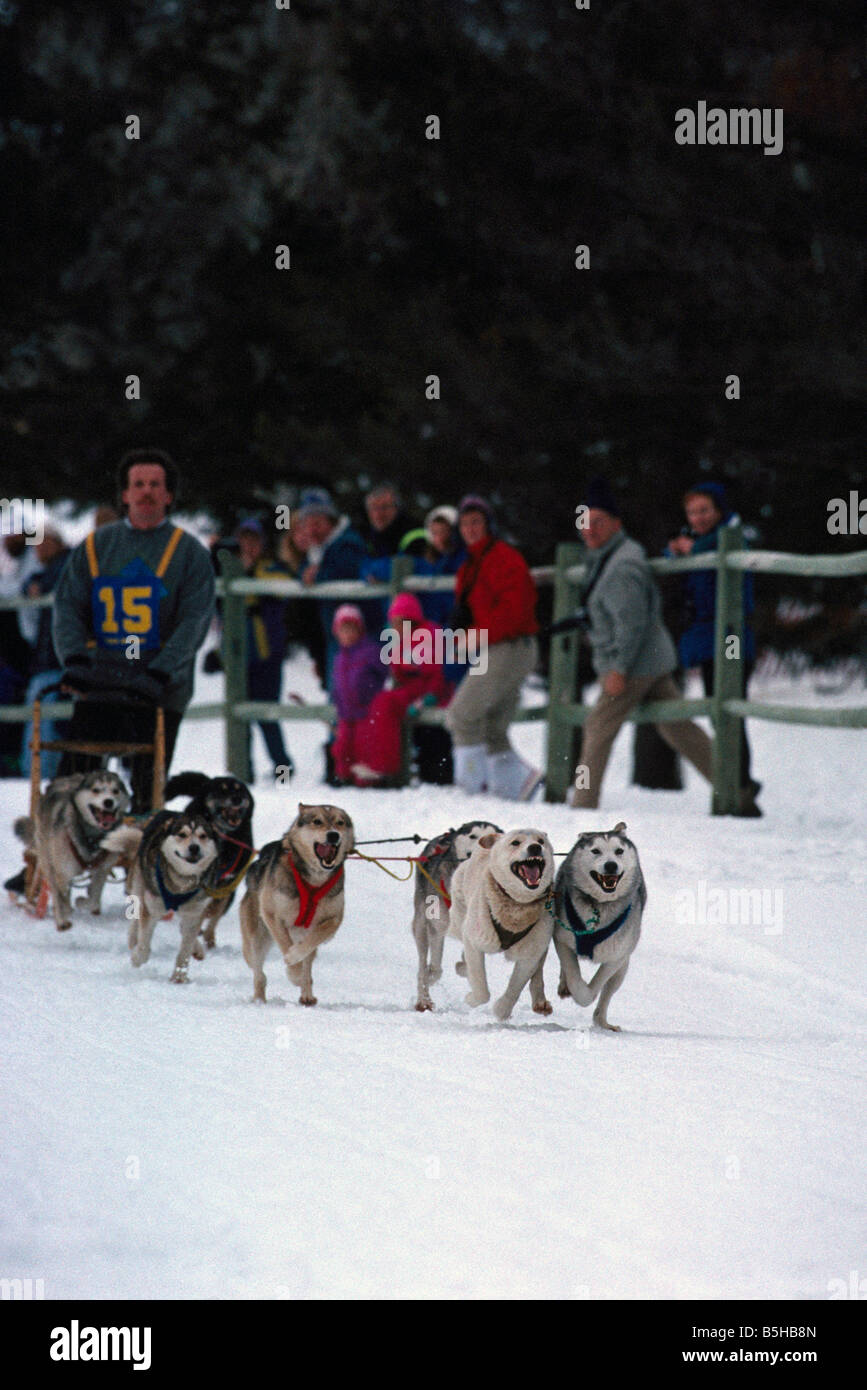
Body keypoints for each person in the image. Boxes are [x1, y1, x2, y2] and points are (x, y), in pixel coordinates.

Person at [52, 448, 215, 813]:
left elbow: (194, 621)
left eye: (155, 485)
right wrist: (75, 659)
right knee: (72, 789)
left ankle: (141, 857)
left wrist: (161, 671)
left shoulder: (189, 553)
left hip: (156, 691)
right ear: (124, 494)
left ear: (168, 495)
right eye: (138, 484)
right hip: (100, 685)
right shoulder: (96, 546)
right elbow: (68, 607)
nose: (146, 492)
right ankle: (57, 859)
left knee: (146, 792)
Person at [563, 478, 726, 811]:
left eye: (598, 522)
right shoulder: (607, 557)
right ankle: (734, 786)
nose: (590, 530)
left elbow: (632, 625)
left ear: (616, 524)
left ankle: (582, 802)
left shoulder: (622, 566)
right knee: (676, 726)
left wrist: (618, 669)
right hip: (650, 661)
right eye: (585, 523)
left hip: (634, 664)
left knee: (598, 726)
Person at [665, 481, 760, 812]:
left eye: (704, 509)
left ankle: (740, 785)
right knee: (721, 712)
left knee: (729, 710)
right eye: (692, 511)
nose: (698, 517)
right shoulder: (695, 544)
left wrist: (690, 551)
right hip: (708, 641)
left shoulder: (728, 541)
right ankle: (740, 784)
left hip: (731, 640)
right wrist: (678, 552)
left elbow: (713, 562)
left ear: (719, 510)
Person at [444, 495, 543, 799]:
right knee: (491, 726)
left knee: (461, 715)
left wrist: (475, 635)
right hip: (495, 648)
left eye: (477, 522)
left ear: (489, 525)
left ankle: (471, 791)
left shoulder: (503, 558)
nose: (471, 528)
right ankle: (517, 785)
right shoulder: (469, 566)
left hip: (511, 646)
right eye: (464, 523)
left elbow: (516, 610)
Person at [350, 592, 450, 785]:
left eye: (400, 621)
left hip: (429, 691)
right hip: (411, 690)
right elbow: (399, 674)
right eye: (394, 622)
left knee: (385, 704)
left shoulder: (428, 636)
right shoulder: (398, 641)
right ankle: (374, 763)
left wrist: (426, 699)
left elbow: (437, 674)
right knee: (379, 703)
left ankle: (384, 765)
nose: (395, 626)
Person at [235, 517, 294, 780]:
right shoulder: (229, 570)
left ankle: (282, 768)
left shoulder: (270, 568)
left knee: (268, 713)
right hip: (238, 655)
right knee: (239, 717)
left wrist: (250, 572)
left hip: (267, 654)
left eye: (253, 540)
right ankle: (242, 770)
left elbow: (284, 585)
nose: (248, 546)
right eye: (243, 539)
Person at [296, 488, 373, 685]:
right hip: (334, 633)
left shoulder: (347, 543)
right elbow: (304, 573)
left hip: (357, 634)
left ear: (330, 521)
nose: (312, 530)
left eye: (317, 523)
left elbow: (346, 571)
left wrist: (317, 575)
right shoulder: (318, 549)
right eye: (307, 524)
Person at [20, 527, 71, 780]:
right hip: (48, 662)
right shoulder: (45, 572)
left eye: (43, 543)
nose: (38, 549)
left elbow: (57, 583)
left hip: (59, 663)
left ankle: (43, 779)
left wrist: (38, 584)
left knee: (47, 728)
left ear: (56, 542)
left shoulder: (67, 565)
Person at [329, 604, 387, 785]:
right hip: (346, 712)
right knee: (342, 746)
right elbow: (336, 685)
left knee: (364, 747)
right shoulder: (338, 657)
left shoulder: (370, 651)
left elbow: (385, 671)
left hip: (366, 711)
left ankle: (365, 780)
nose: (347, 634)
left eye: (351, 629)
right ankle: (343, 776)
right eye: (343, 630)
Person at [359, 482, 416, 559]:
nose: (378, 514)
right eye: (374, 508)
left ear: (397, 508)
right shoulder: (363, 536)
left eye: (384, 507)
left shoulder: (413, 536)